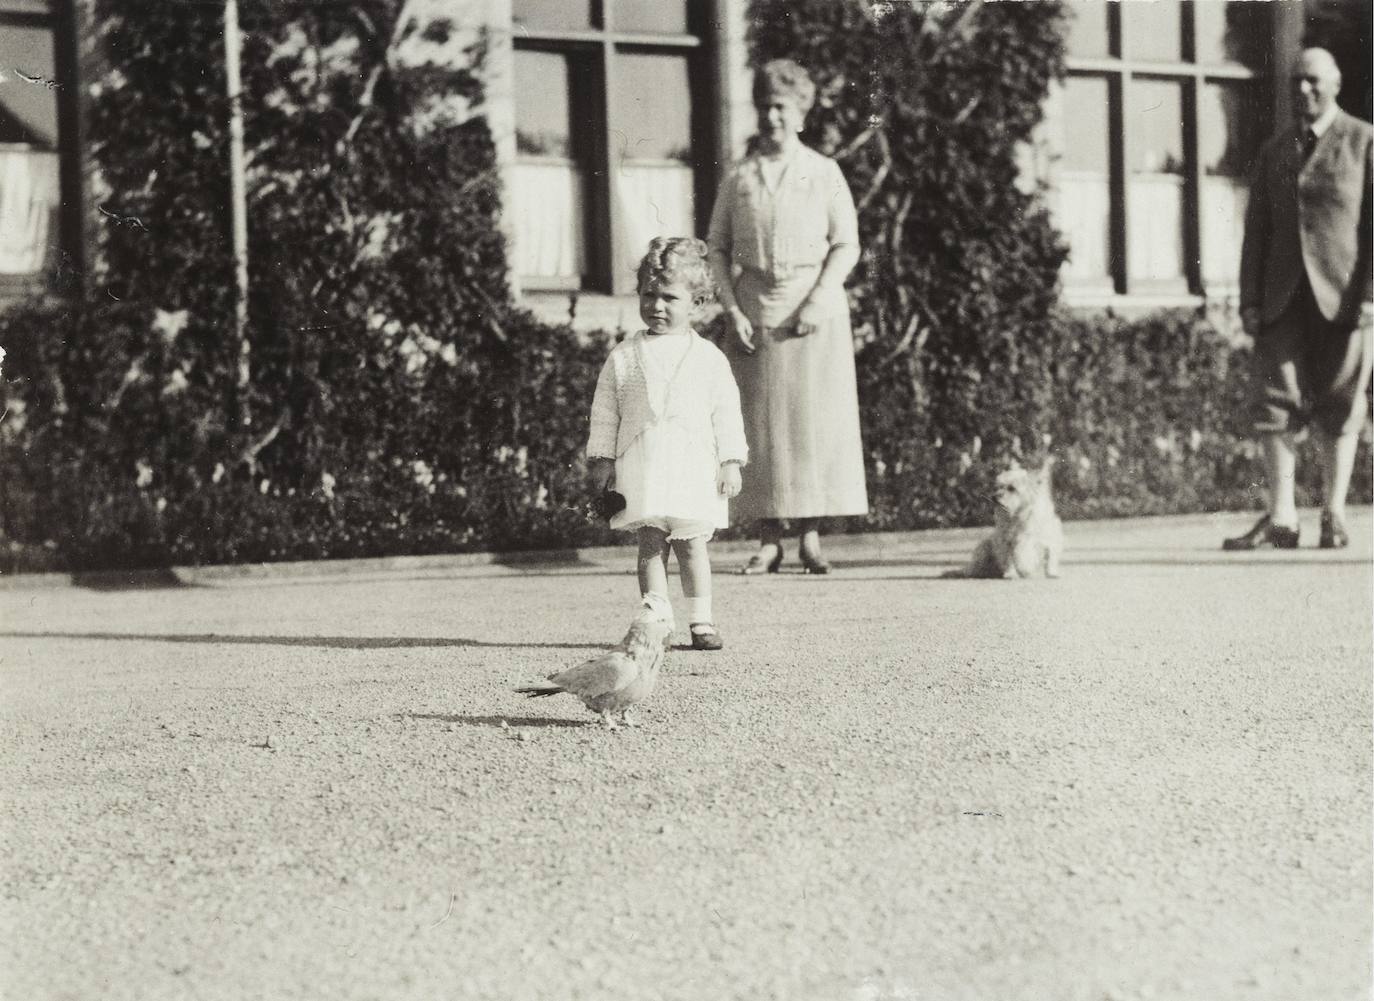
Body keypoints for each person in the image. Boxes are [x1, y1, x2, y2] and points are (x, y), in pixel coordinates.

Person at [707, 58, 869, 575]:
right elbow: (716, 248)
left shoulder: (824, 173)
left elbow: (846, 245)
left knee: (811, 424)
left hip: (812, 308)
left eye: (781, 106)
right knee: (759, 427)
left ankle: (811, 538)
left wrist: (818, 300)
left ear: (801, 112)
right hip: (755, 309)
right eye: (764, 107)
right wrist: (731, 309)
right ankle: (768, 539)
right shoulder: (740, 178)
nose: (771, 117)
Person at [1224, 47, 1373, 551]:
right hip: (1281, 297)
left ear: (1335, 85)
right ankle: (1282, 517)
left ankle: (1333, 513)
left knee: (1342, 401)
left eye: (1311, 81)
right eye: (1294, 83)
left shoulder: (1363, 141)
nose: (1301, 91)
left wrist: (1371, 294)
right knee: (1273, 404)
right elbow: (1257, 232)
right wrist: (1249, 299)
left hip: (1346, 297)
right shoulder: (1275, 150)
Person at [587, 237, 748, 651]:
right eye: (648, 295)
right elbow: (606, 411)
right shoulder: (624, 356)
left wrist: (731, 460)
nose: (657, 306)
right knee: (650, 544)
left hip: (692, 463)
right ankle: (657, 619)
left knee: (692, 544)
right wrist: (602, 460)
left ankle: (701, 621)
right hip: (644, 461)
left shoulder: (709, 357)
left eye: (669, 297)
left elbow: (726, 410)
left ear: (696, 303)